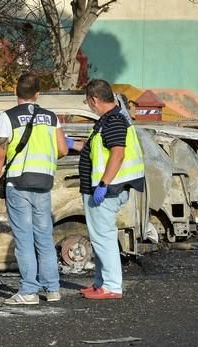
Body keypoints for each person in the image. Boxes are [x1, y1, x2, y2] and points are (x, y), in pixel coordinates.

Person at [0, 72, 69, 305]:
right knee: (44, 236)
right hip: (44, 183)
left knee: (24, 238)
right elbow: (63, 150)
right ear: (37, 94)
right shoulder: (51, 117)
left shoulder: (7, 117)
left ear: (15, 92)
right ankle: (53, 289)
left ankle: (28, 292)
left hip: (18, 182)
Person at [73, 79, 145, 299]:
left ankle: (112, 287)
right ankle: (100, 283)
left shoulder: (113, 120)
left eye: (87, 101)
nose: (89, 106)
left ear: (94, 99)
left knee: (103, 238)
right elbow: (97, 150)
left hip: (107, 190)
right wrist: (71, 144)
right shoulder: (109, 120)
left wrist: (103, 183)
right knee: (100, 237)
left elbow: (117, 153)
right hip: (105, 189)